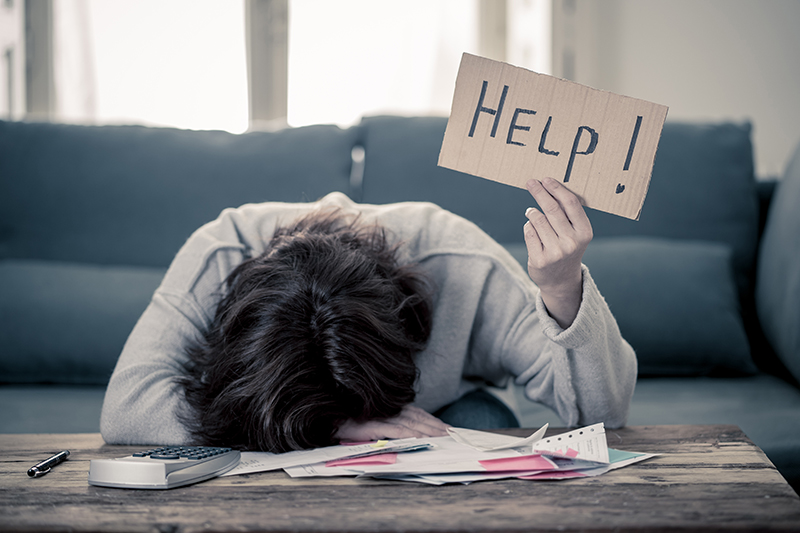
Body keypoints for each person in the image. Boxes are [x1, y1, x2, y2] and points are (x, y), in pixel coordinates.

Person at [100, 177, 637, 452]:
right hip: (275, 413)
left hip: (435, 415)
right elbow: (126, 410)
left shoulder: (462, 261)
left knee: (484, 425)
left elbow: (597, 413)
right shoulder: (220, 250)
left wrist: (563, 289)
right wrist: (334, 427)